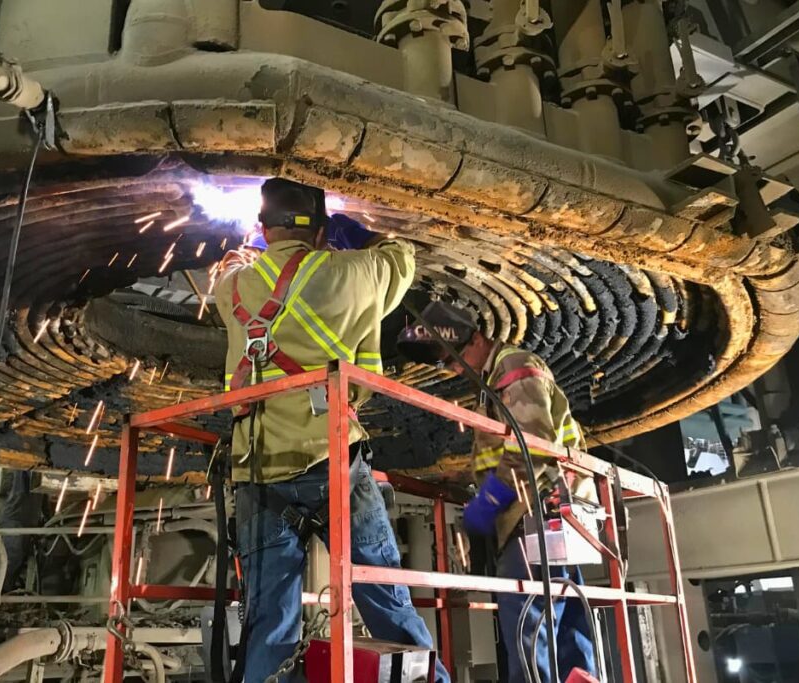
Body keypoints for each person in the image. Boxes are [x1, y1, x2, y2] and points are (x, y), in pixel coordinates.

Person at [215, 178, 450, 682]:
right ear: (321, 231)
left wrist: (262, 253)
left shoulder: (232, 286)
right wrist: (357, 236)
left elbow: (234, 270)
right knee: (384, 598)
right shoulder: (350, 272)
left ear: (262, 229)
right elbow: (400, 258)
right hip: (333, 462)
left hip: (258, 471)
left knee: (269, 622)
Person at [397, 301, 598, 683]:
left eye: (452, 356)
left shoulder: (512, 366)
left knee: (528, 625)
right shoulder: (494, 381)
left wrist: (489, 501)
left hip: (535, 512)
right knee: (568, 625)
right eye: (442, 363)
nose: (452, 368)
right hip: (554, 510)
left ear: (474, 338)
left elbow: (534, 444)